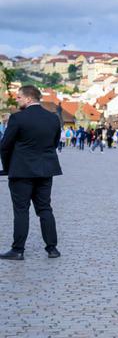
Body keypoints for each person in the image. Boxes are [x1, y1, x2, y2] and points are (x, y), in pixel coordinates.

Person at [0, 85, 61, 260]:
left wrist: (7, 167)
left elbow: (5, 146)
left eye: (18, 97)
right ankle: (52, 248)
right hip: (45, 170)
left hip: (21, 171)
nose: (16, 100)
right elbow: (54, 143)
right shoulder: (53, 118)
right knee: (45, 209)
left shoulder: (18, 118)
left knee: (21, 210)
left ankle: (18, 250)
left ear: (28, 98)